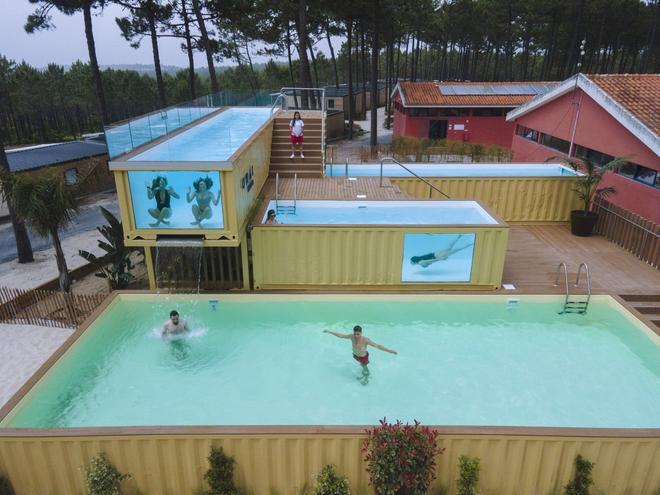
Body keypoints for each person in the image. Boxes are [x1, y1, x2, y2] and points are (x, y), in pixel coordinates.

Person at [323, 325, 397, 383]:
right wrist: (329, 332)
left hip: (363, 358)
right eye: (355, 334)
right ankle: (363, 374)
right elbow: (341, 336)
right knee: (361, 365)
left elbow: (377, 346)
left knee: (365, 367)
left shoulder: (365, 340)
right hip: (356, 356)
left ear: (361, 333)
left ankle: (366, 378)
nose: (356, 336)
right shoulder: (351, 336)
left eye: (358, 334)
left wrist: (389, 350)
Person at [410, 234, 474, 268]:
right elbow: (428, 261)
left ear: (415, 261)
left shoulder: (421, 263)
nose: (412, 264)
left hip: (437, 256)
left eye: (412, 262)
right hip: (435, 253)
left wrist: (440, 259)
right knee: (449, 248)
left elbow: (430, 260)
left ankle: (471, 243)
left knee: (456, 250)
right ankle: (459, 236)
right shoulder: (420, 260)